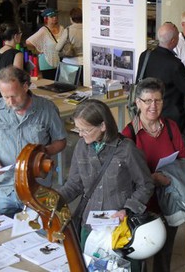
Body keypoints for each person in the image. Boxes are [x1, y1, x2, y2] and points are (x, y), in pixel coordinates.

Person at [58, 99, 153, 270]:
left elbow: (146, 184)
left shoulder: (126, 149)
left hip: (120, 229)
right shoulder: (81, 147)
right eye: (78, 129)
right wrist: (53, 199)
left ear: (103, 126)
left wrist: (128, 209)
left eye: (85, 130)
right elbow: (74, 184)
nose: (80, 134)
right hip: (90, 225)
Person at [0, 66, 67, 217]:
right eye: (5, 97)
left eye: (14, 96)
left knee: (39, 235)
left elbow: (61, 141)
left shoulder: (46, 109)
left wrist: (44, 152)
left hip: (37, 187)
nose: (10, 101)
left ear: (26, 86)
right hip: (4, 187)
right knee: (2, 234)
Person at [122, 77, 185, 272]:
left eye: (157, 100)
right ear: (138, 103)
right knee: (141, 251)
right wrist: (153, 178)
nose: (153, 105)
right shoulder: (129, 135)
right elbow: (124, 175)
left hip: (169, 199)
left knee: (165, 251)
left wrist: (174, 173)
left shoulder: (170, 127)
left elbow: (184, 157)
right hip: (143, 205)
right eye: (147, 101)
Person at [138, 22, 185, 133]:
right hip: (170, 115)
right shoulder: (175, 64)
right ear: (173, 41)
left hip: (148, 110)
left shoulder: (145, 55)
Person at [26, 8, 64, 80]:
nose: (55, 18)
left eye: (55, 16)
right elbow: (28, 42)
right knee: (50, 84)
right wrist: (40, 48)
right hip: (47, 61)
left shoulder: (61, 28)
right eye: (52, 16)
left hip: (60, 60)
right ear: (46, 19)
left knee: (60, 84)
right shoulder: (43, 31)